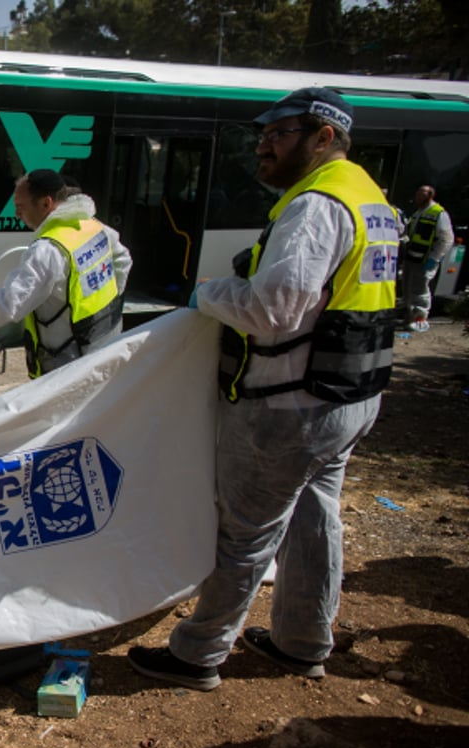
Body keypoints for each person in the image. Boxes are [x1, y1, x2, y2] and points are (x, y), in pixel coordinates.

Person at [126, 87, 397, 691]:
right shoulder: (368, 198)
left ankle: (198, 653)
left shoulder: (316, 204)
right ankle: (303, 642)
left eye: (279, 134)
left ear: (323, 137)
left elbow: (274, 308)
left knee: (246, 533)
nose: (264, 146)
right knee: (313, 518)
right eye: (263, 136)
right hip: (350, 395)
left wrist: (205, 294)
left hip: (289, 403)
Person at [0, 169, 131, 379]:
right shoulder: (93, 227)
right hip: (105, 344)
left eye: (21, 207)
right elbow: (123, 261)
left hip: (69, 366)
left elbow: (6, 306)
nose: (17, 214)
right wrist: (109, 303)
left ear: (45, 204)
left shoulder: (49, 250)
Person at [400, 184, 453, 332]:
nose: (418, 196)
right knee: (408, 287)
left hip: (424, 260)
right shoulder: (418, 213)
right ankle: (410, 315)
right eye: (417, 193)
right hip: (412, 258)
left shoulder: (439, 213)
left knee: (420, 289)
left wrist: (435, 258)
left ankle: (420, 319)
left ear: (430, 195)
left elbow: (447, 239)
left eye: (422, 193)